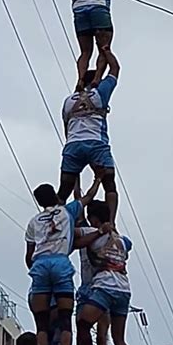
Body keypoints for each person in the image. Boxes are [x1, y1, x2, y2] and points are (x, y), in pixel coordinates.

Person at [25, 178, 108, 345]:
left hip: (40, 265)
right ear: (56, 196)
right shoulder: (67, 211)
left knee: (41, 323)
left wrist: (36, 268)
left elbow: (28, 255)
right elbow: (88, 197)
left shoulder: (33, 222)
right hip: (60, 263)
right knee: (65, 319)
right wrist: (97, 179)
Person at [58, 48, 119, 225]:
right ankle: (111, 223)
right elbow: (115, 69)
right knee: (109, 183)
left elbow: (67, 129)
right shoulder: (100, 93)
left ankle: (55, 220)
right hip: (96, 144)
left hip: (73, 145)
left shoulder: (68, 101)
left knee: (64, 190)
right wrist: (105, 49)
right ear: (96, 81)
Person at [75, 200, 135, 345]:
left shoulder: (91, 232)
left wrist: (99, 232)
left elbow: (74, 237)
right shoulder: (123, 240)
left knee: (83, 323)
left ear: (94, 218)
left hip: (105, 286)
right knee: (119, 338)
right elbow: (129, 245)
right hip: (124, 289)